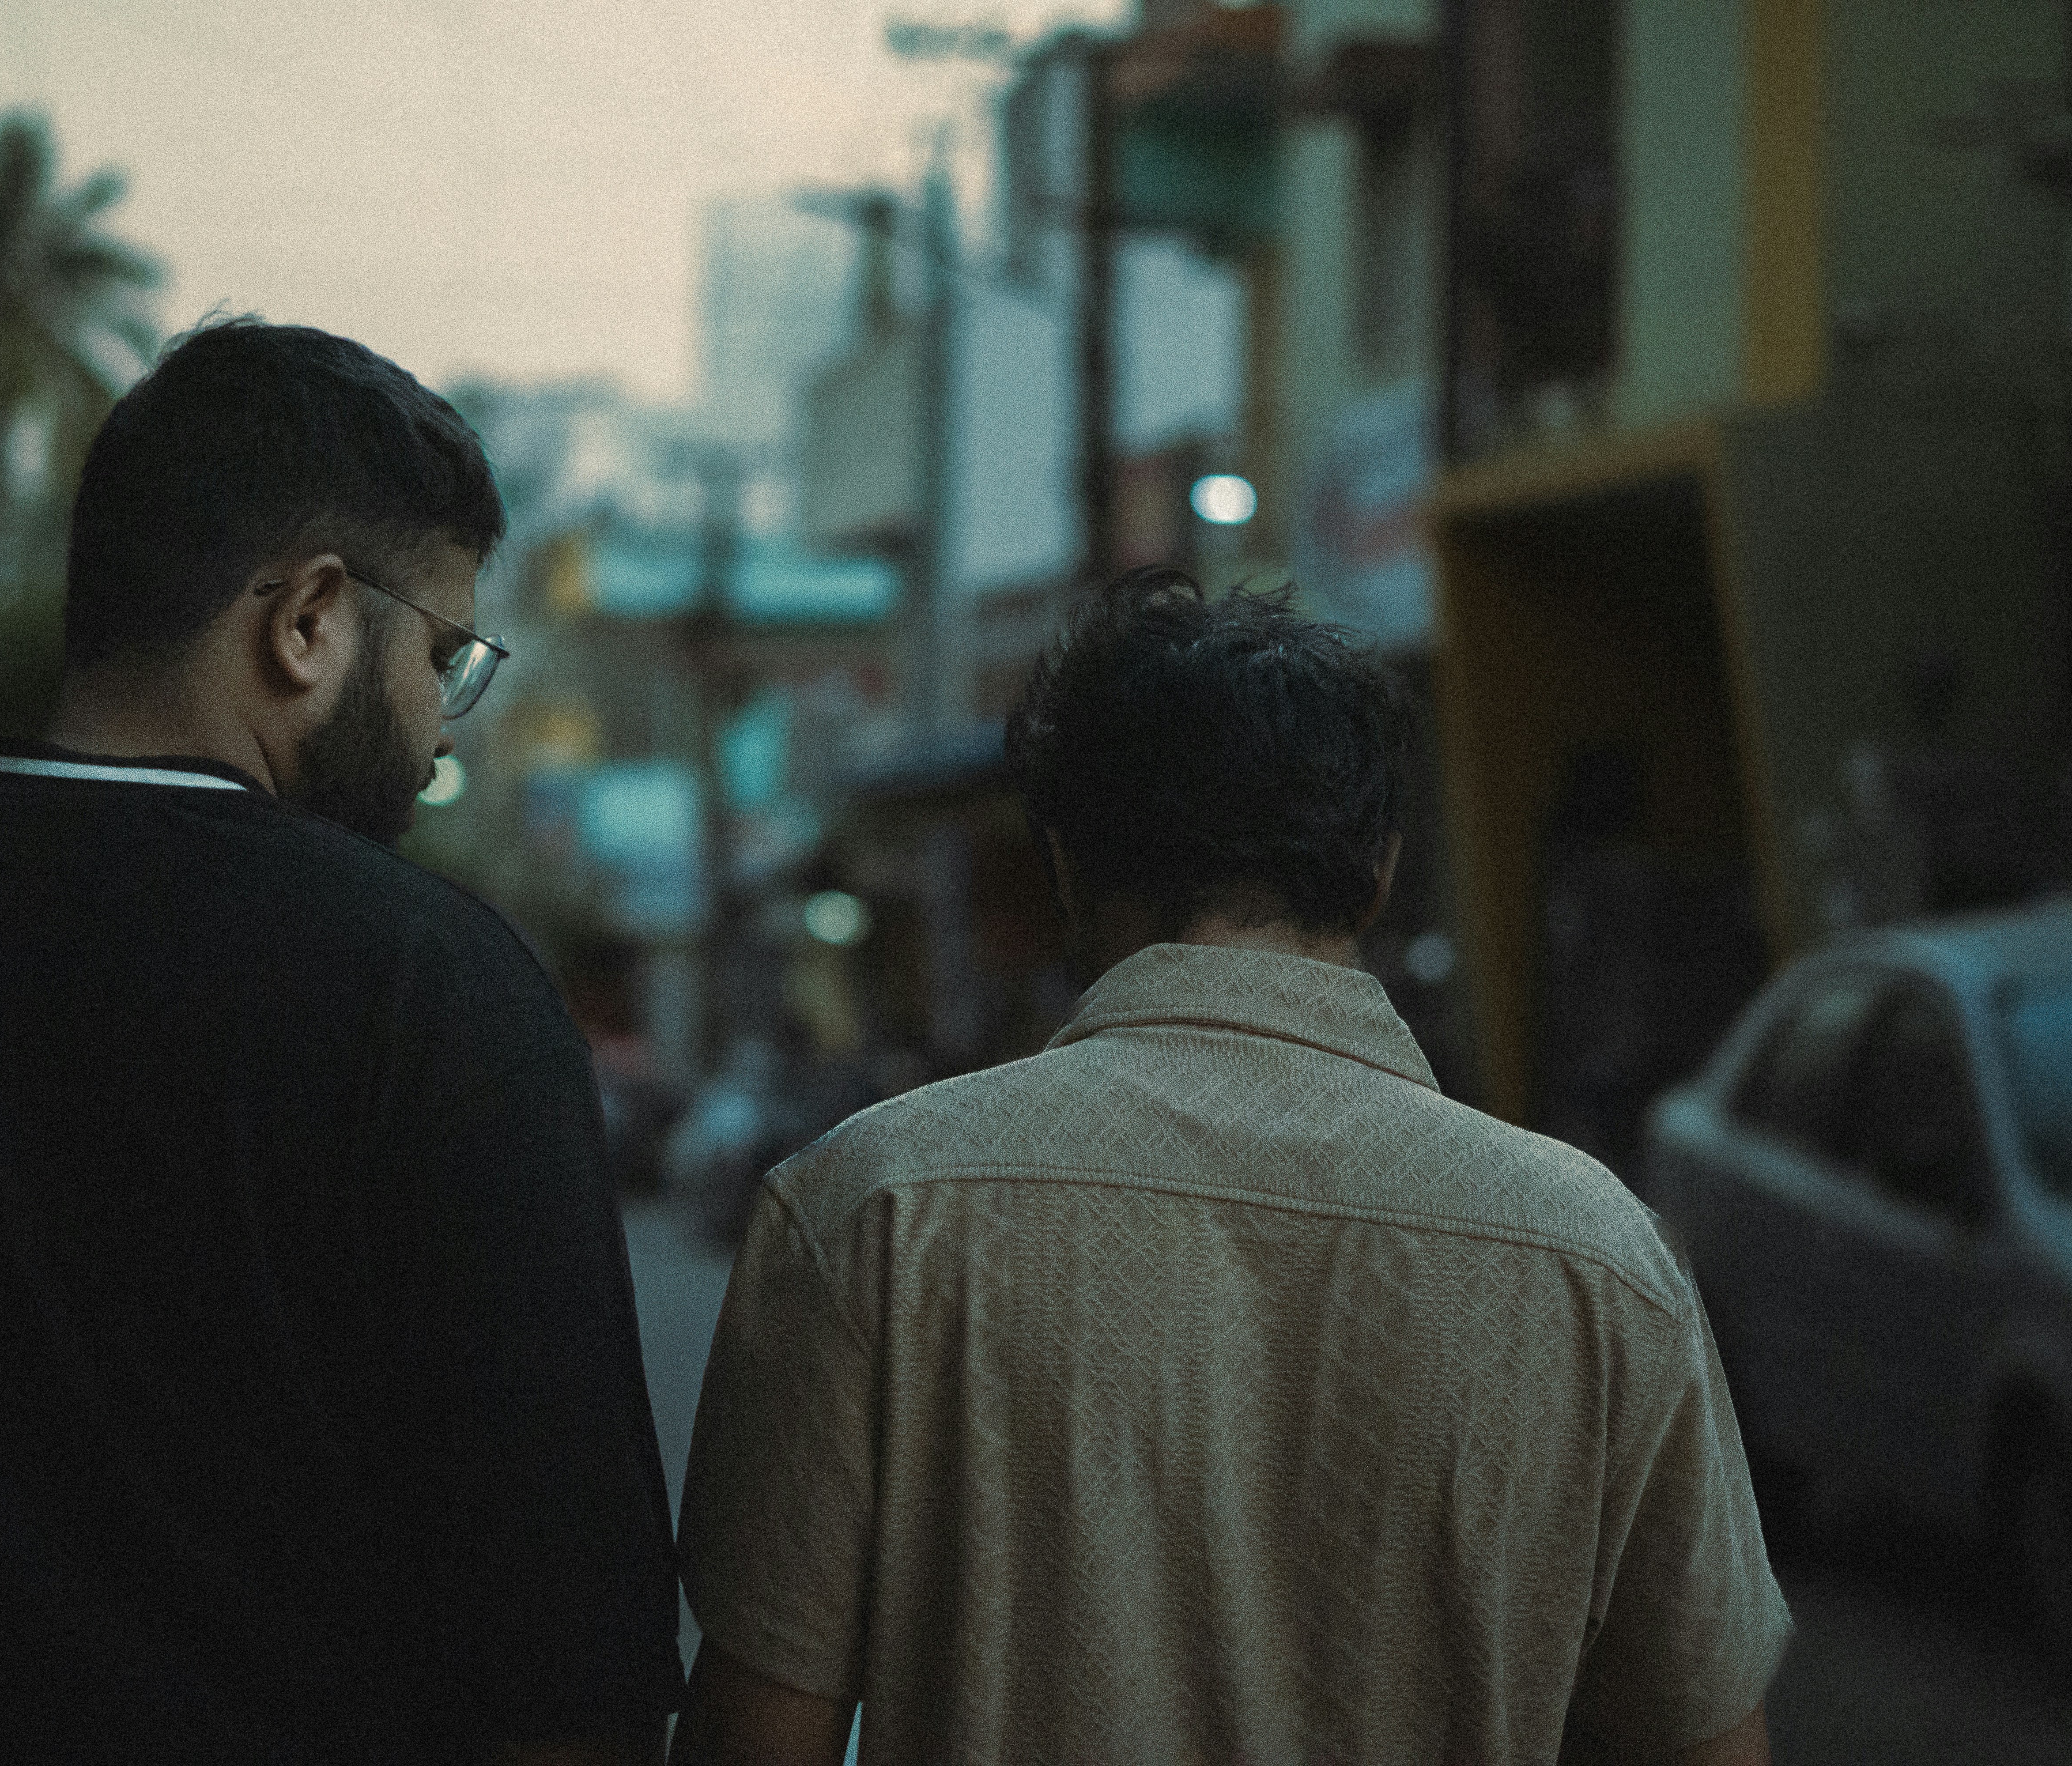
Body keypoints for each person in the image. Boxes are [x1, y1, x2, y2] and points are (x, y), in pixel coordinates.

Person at [0, 321, 684, 1764]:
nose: (440, 729)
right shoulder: (436, 999)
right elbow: (568, 1666)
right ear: (310, 621)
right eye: (446, 654)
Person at [670, 570, 1789, 1766]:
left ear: (1069, 866)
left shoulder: (874, 1211)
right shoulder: (1598, 1262)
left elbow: (756, 1739)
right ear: (1378, 871)